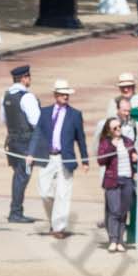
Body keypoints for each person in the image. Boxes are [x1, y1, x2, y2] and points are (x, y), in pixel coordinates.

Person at [30, 79, 88, 239]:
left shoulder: (75, 115)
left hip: (66, 157)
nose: (65, 97)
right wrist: (31, 153)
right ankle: (54, 219)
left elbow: (81, 139)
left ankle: (59, 228)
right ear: (55, 95)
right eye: (62, 94)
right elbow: (37, 133)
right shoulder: (45, 112)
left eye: (67, 94)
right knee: (44, 192)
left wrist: (85, 160)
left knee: (63, 194)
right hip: (47, 156)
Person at [2, 65, 40, 224]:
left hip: (12, 141)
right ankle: (15, 212)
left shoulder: (6, 96)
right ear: (24, 78)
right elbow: (36, 121)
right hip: (26, 142)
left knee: (18, 175)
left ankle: (16, 210)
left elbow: (3, 119)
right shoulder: (27, 97)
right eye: (28, 76)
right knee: (22, 176)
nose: (29, 79)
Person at [97, 115, 138, 253]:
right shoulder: (105, 142)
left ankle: (120, 240)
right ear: (109, 130)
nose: (118, 129)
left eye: (119, 126)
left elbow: (134, 155)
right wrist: (112, 147)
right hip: (112, 180)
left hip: (127, 179)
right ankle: (113, 239)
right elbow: (101, 161)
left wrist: (135, 157)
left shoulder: (127, 141)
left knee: (123, 211)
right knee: (114, 211)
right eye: (115, 128)